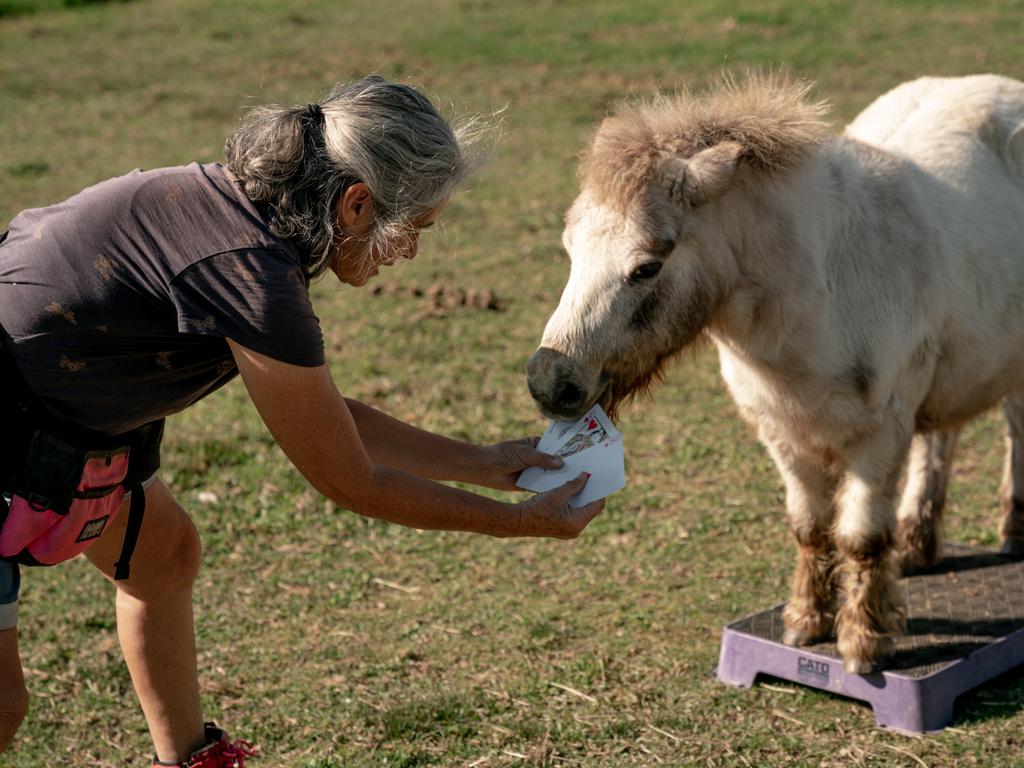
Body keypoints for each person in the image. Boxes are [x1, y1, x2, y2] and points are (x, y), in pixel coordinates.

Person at [0, 76, 604, 766]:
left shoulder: (244, 220)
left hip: (67, 412)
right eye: (416, 229)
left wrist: (487, 461)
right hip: (17, 412)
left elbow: (322, 417)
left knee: (164, 557)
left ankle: (191, 759)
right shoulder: (248, 273)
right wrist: (522, 522)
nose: (410, 252)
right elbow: (353, 481)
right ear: (355, 204)